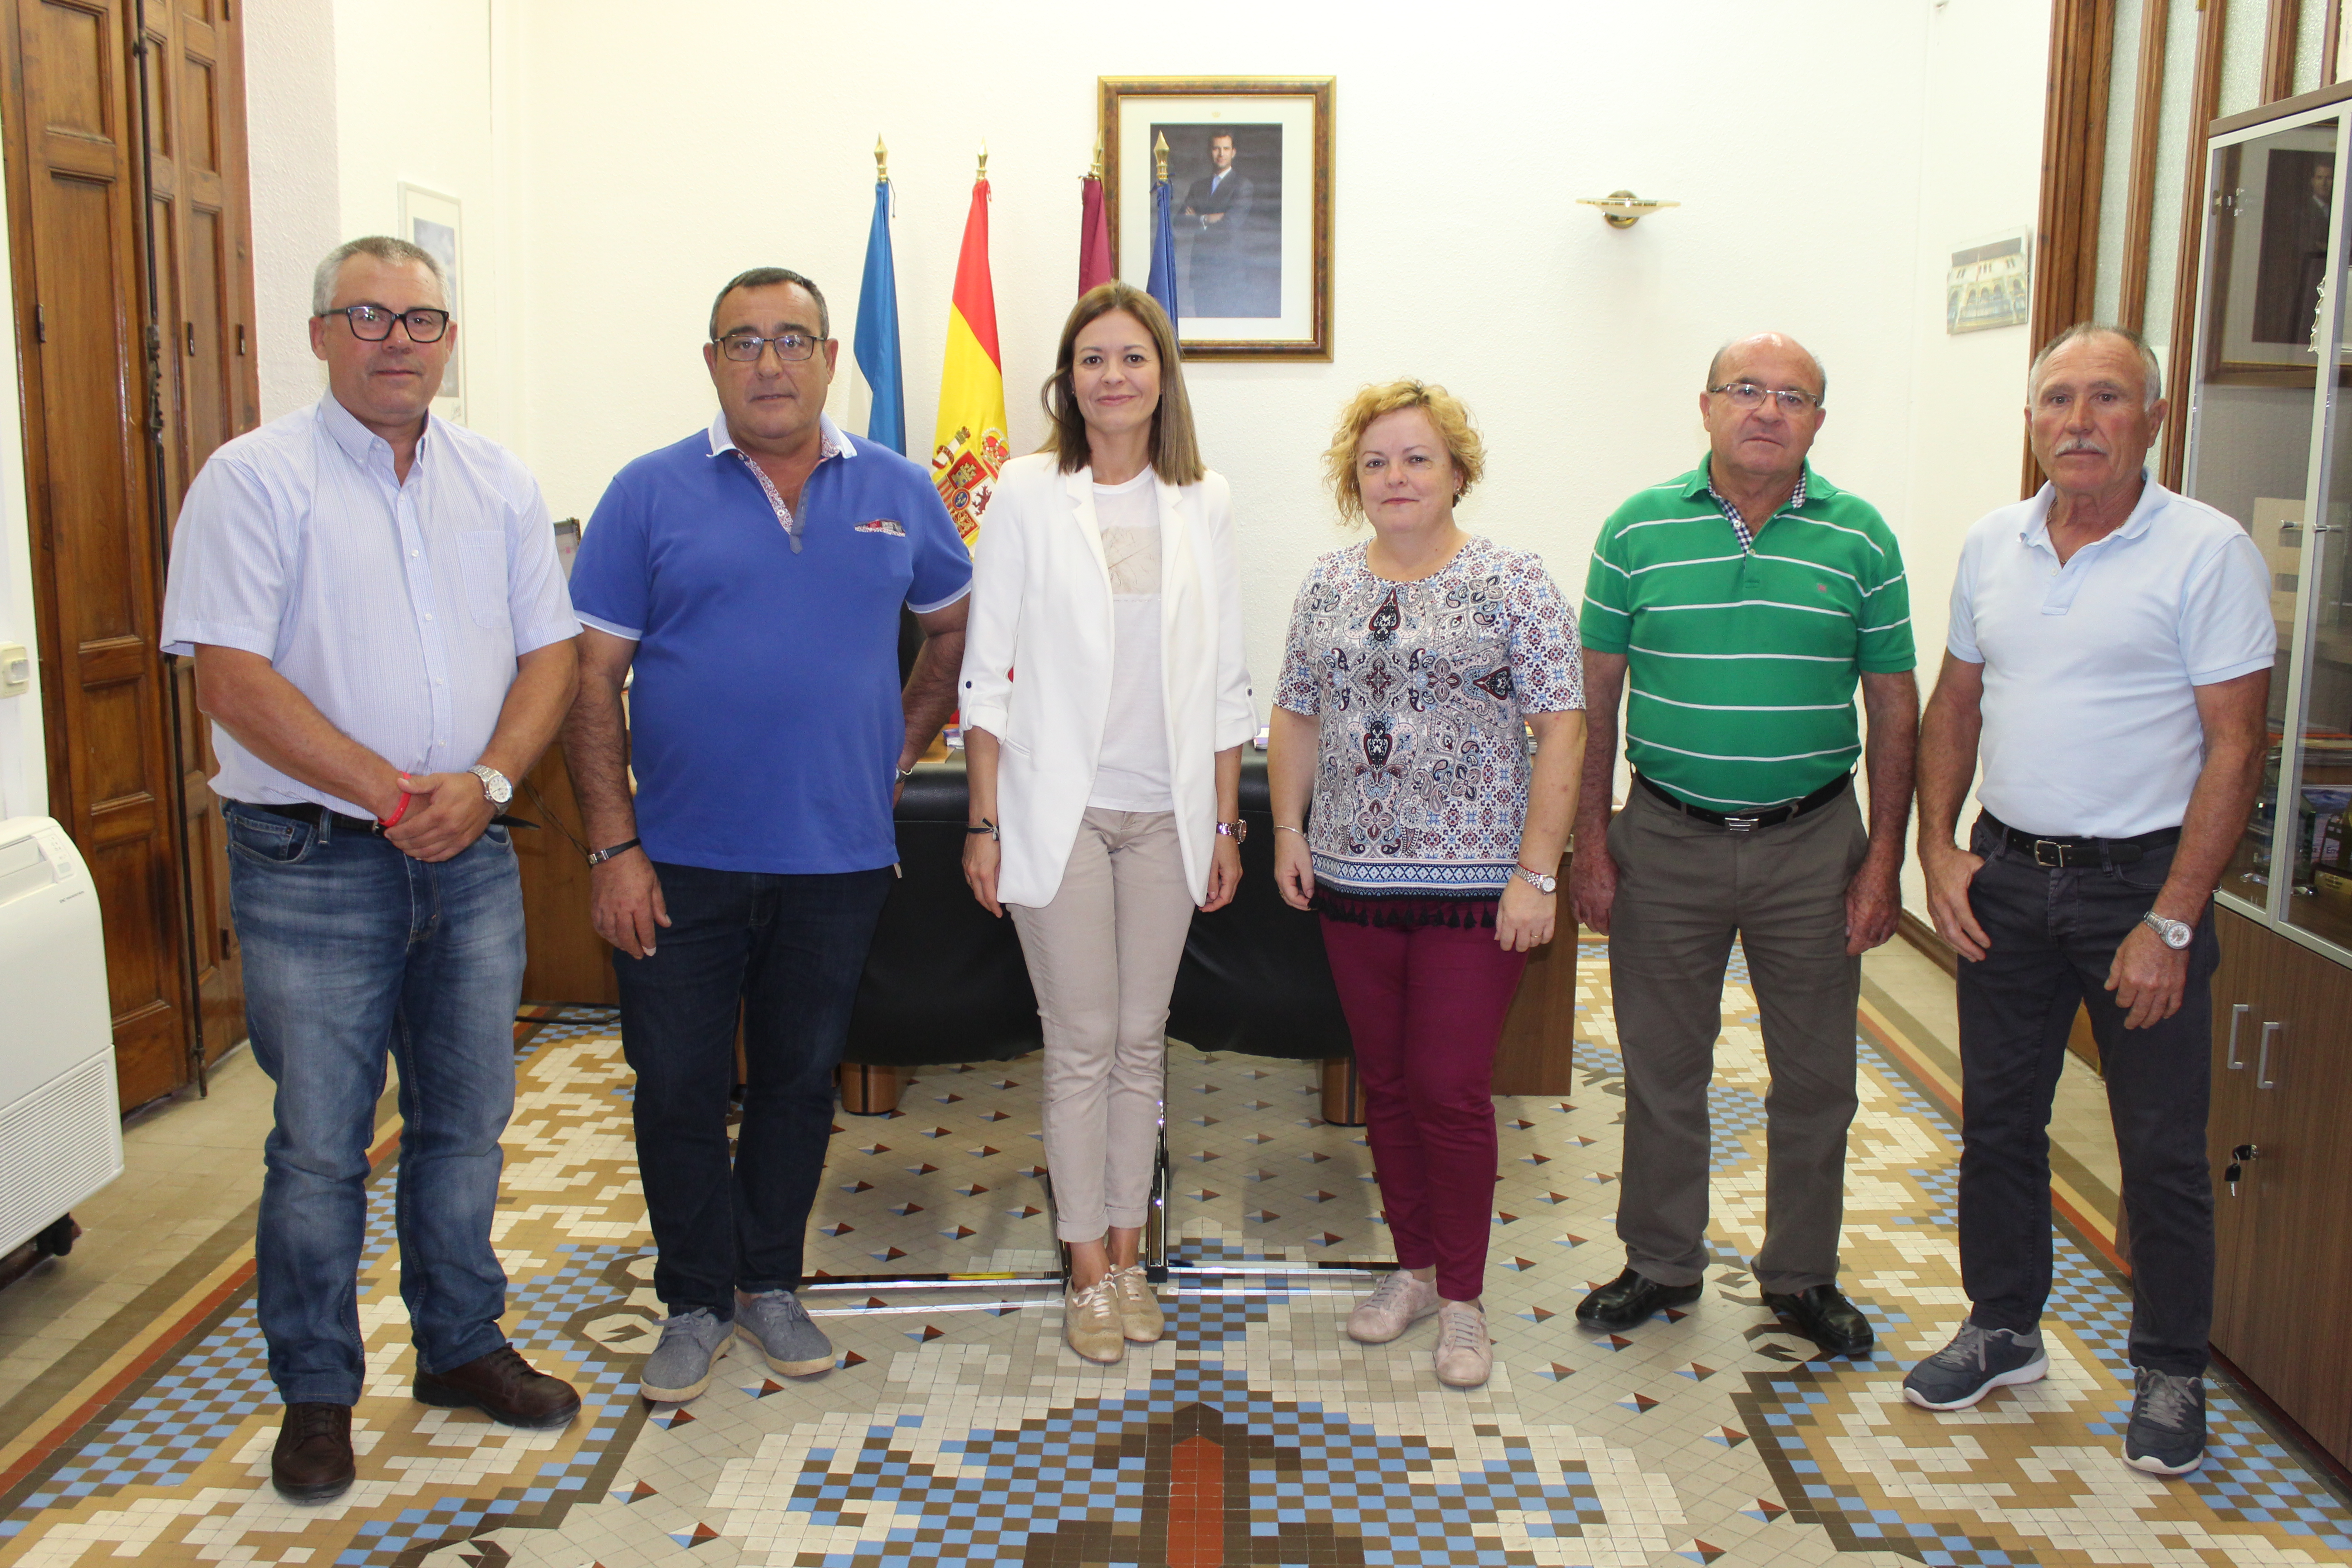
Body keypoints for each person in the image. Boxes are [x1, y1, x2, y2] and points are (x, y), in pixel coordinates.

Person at [160, 236, 583, 1504]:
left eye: (422, 319)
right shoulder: (251, 482)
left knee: (467, 1125)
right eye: (368, 316)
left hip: (472, 859)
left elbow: (548, 655)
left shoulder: (499, 483)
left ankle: (459, 1347)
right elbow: (231, 680)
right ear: (320, 335)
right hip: (313, 862)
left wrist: (492, 785)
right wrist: (392, 792)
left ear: (452, 339)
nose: (399, 340)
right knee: (320, 1145)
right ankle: (317, 1393)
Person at [562, 267, 971, 1404]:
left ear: (830, 355)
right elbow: (592, 681)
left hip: (837, 860)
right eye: (741, 342)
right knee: (678, 1083)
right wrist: (612, 846)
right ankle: (694, 1296)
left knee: (796, 1080)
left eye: (791, 340)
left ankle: (769, 1280)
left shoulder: (895, 487)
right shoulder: (647, 492)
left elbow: (951, 630)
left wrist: (894, 749)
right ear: (711, 363)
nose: (768, 362)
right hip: (676, 860)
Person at [1906, 323, 2270, 1475]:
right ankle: (2002, 1325)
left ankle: (2167, 1366)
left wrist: (2170, 917)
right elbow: (1953, 703)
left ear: (2150, 420)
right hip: (2005, 880)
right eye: (2054, 398)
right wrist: (1938, 847)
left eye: (2104, 398)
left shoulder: (2204, 553)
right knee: (1996, 1122)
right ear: (2030, 420)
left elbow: (2234, 745)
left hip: (2138, 888)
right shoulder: (1990, 544)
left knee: (2157, 1144)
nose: (2075, 420)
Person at [1569, 333, 1917, 1358]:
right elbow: (1594, 693)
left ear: (1817, 419)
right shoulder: (1635, 529)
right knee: (1659, 1065)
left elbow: (1894, 708)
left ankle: (1801, 1275)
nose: (1766, 409)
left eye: (1791, 396)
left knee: (1815, 1079)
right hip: (1662, 839)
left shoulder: (1861, 539)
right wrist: (1592, 840)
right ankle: (1661, 1259)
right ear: (1706, 405)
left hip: (1813, 843)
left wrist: (1883, 857)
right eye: (1744, 390)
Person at [1268, 380, 1585, 1390]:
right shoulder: (1324, 585)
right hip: (1355, 883)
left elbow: (1563, 728)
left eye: (1416, 459)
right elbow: (1295, 716)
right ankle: (1411, 1271)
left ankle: (1462, 1302)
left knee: (1450, 1090)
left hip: (1477, 888)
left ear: (1457, 472)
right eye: (1375, 462)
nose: (1395, 477)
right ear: (1351, 479)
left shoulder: (1512, 582)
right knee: (1390, 1087)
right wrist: (1285, 826)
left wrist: (1538, 874)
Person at [959, 281, 1253, 1365]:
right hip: (1060, 812)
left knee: (1141, 1043)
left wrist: (1225, 825)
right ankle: (1083, 1267)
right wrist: (983, 822)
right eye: (1092, 358)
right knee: (1080, 1044)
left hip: (1168, 814)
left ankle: (1129, 1255)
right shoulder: (1028, 491)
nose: (1112, 375)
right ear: (1066, 379)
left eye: (1132, 356)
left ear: (1161, 375)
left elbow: (1225, 679)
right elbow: (986, 674)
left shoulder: (1202, 498)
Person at [1181, 132, 1254, 315]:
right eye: (1216, 148)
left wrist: (1198, 218)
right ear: (1210, 152)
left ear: (1234, 152)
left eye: (1226, 149)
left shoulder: (1243, 185)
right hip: (1202, 273)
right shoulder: (1198, 186)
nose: (1221, 154)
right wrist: (1209, 218)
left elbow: (1230, 225)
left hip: (1228, 274)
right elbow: (1180, 222)